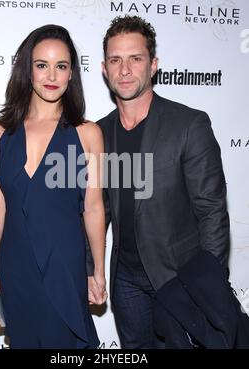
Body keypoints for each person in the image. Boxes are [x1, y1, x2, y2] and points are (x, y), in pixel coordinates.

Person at [97, 15, 230, 348]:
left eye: (135, 58)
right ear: (104, 68)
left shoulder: (189, 125)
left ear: (153, 65)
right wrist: (91, 269)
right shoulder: (98, 133)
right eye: (116, 60)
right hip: (125, 280)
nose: (124, 69)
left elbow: (212, 210)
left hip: (178, 277)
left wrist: (206, 283)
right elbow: (95, 210)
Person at [0, 24, 107, 349]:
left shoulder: (87, 133)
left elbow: (93, 207)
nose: (52, 75)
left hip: (64, 265)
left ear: (71, 74)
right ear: (28, 70)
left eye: (61, 66)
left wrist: (98, 270)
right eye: (42, 65)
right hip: (16, 267)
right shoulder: (1, 132)